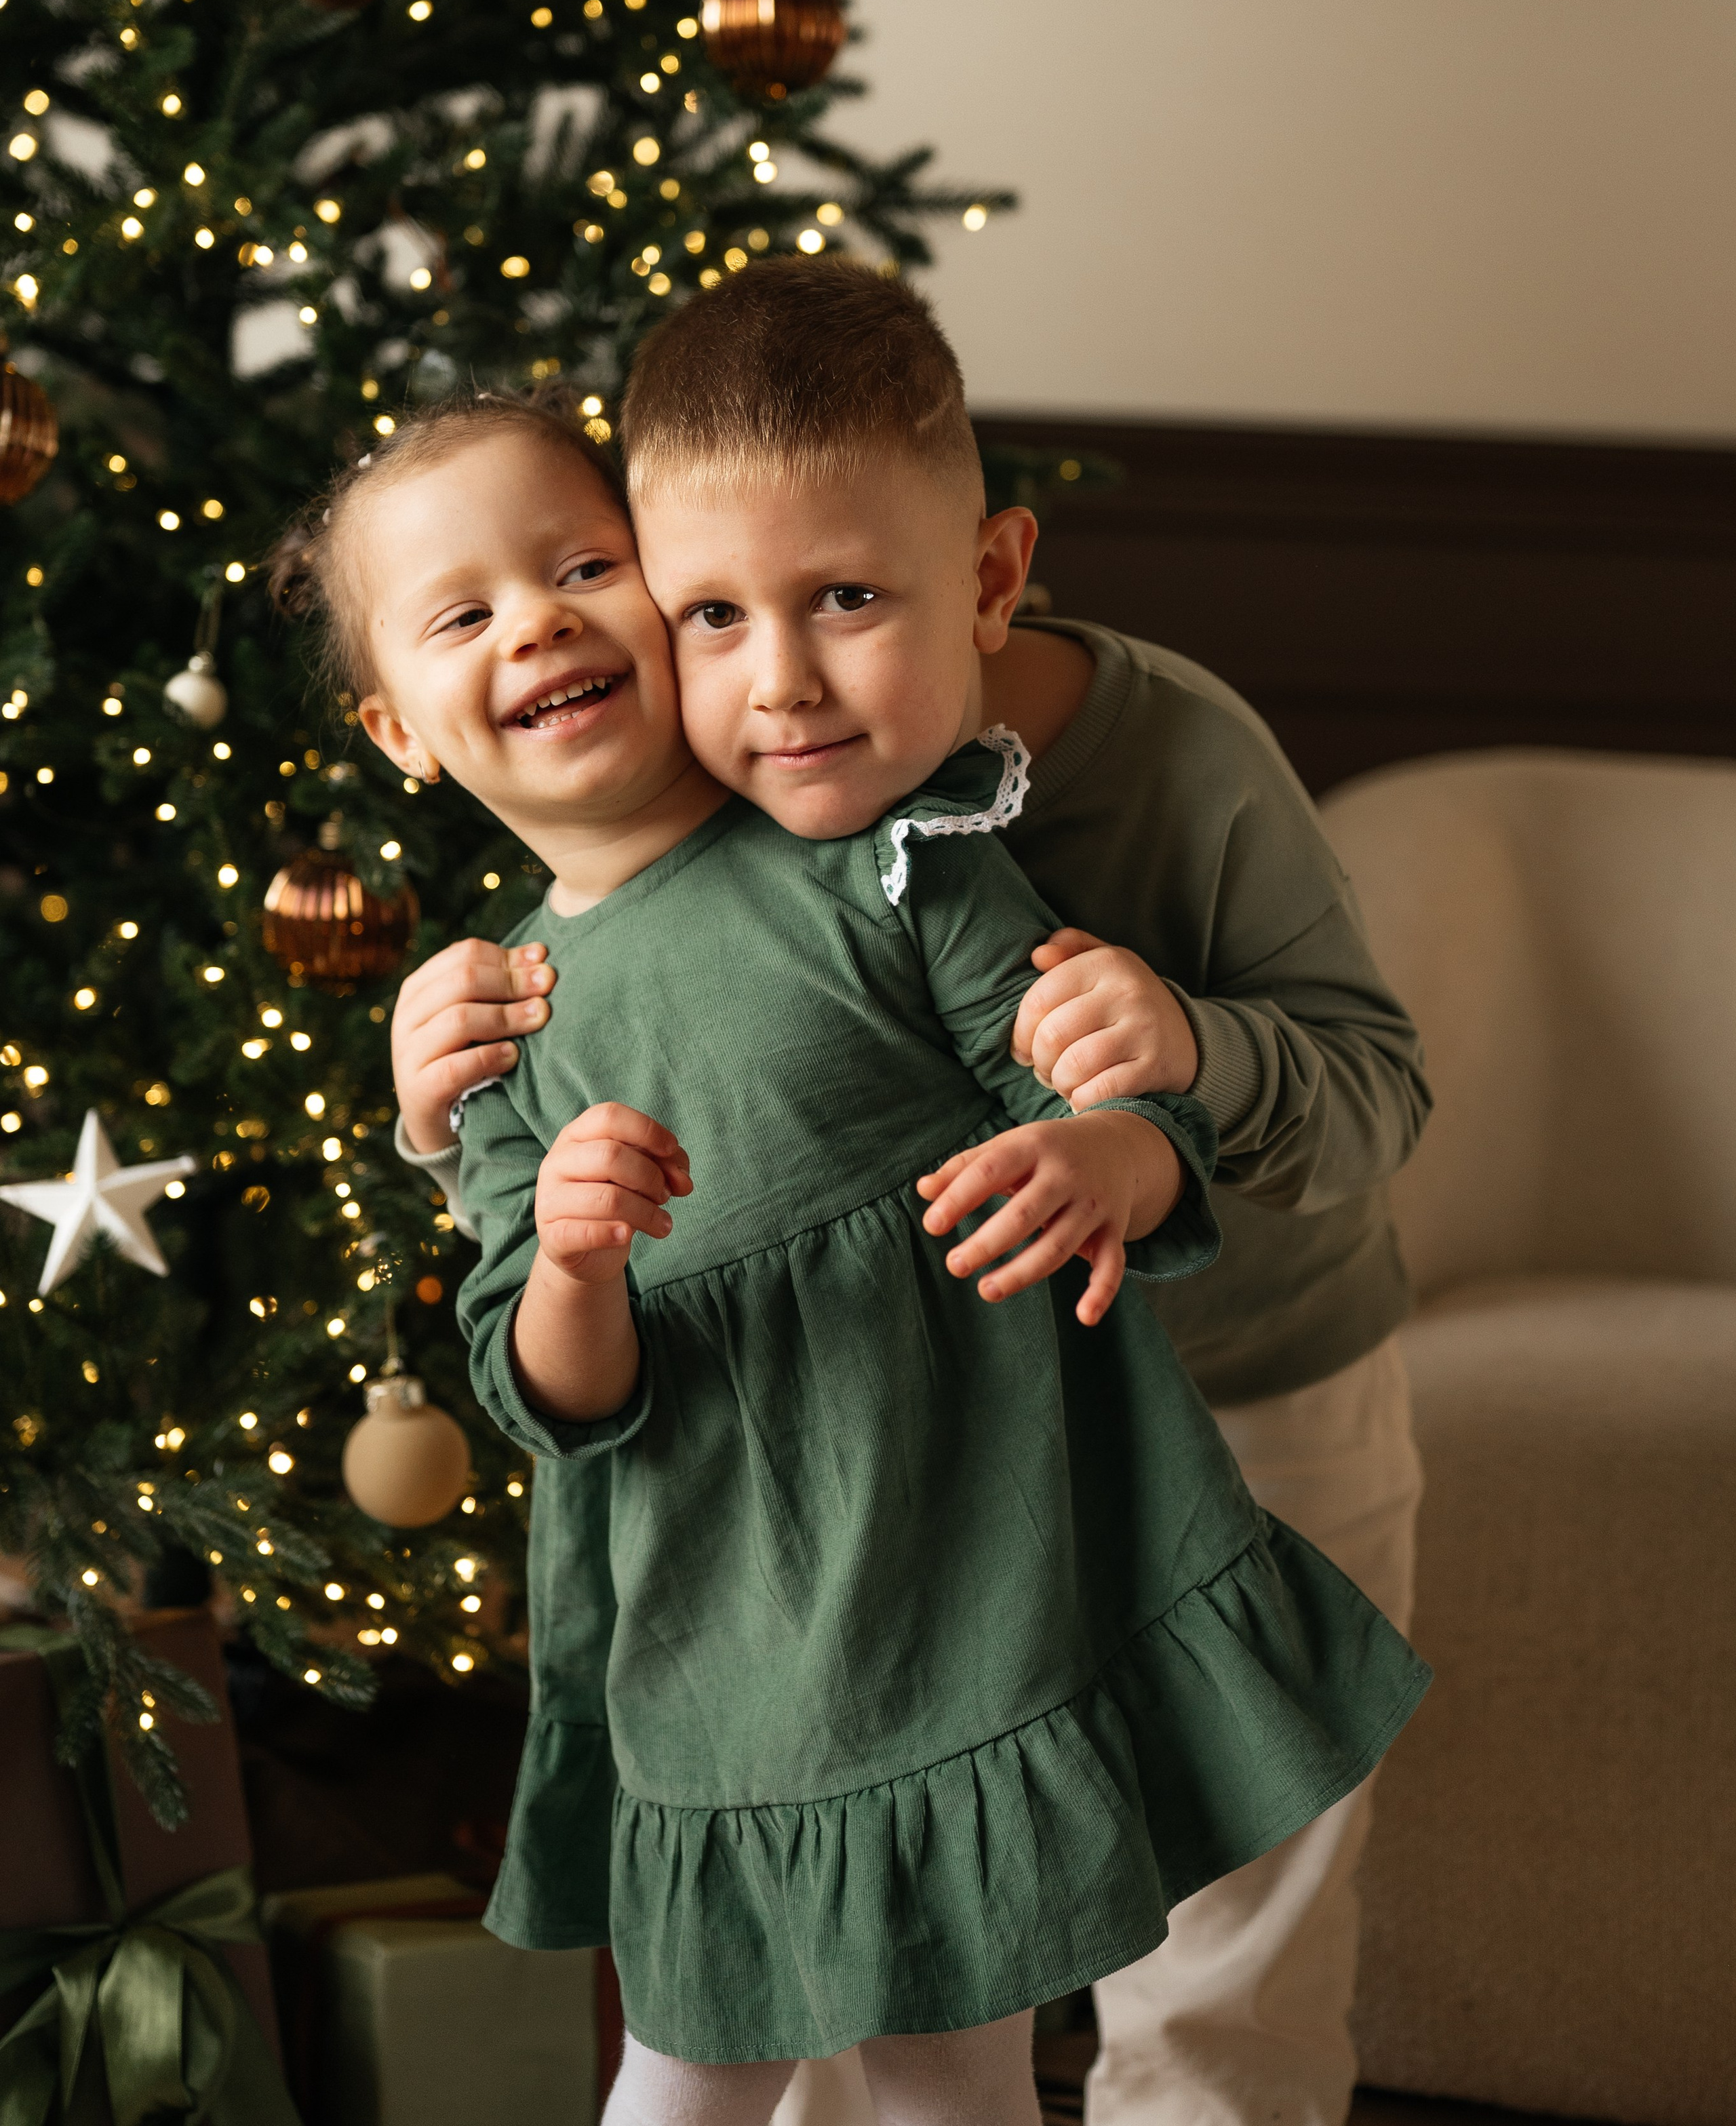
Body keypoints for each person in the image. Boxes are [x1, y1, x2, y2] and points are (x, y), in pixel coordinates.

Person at [276, 308, 1427, 2126]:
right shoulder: (620, 908)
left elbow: (1372, 1088)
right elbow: (610, 1167)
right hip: (892, 1499)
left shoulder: (1156, 767)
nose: (784, 688)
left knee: (1216, 1989)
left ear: (987, 577)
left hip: (1252, 1379)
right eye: (712, 613)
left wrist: (1175, 1075)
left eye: (852, 604)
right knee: (836, 2013)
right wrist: (456, 1140)